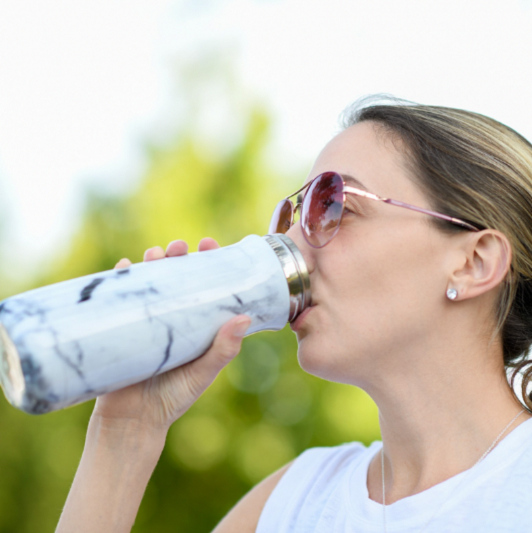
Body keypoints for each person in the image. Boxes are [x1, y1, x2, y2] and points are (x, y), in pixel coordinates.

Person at [55, 97, 532, 533]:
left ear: (474, 263)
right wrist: (125, 432)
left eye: (334, 204)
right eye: (291, 216)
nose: (289, 247)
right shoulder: (292, 502)